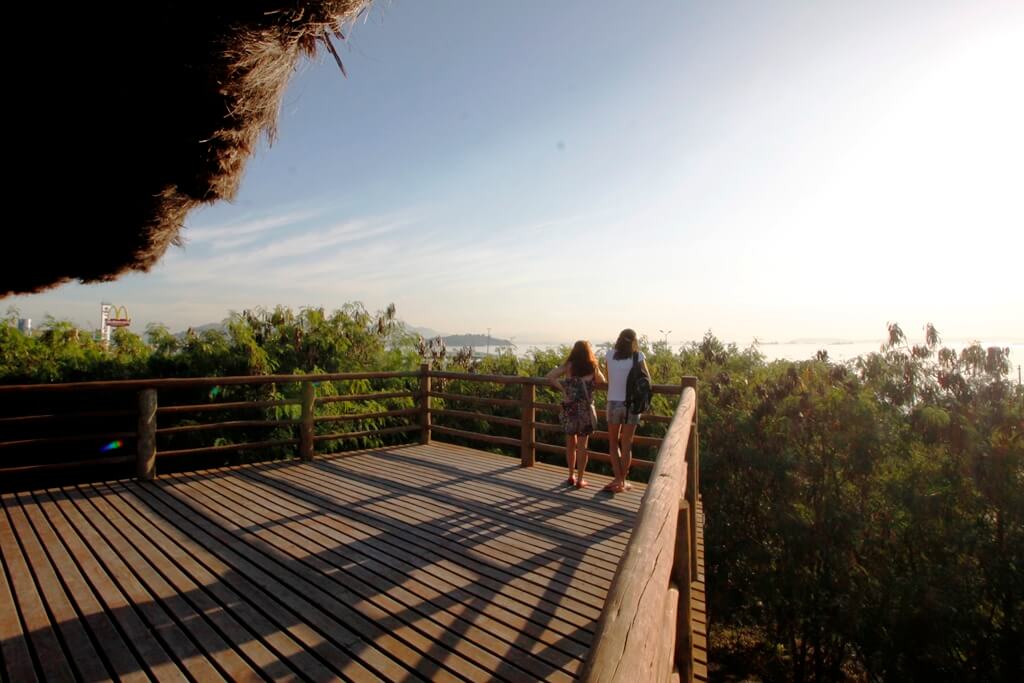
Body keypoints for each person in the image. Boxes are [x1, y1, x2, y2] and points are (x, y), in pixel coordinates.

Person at [545, 341, 606, 488]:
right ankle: (580, 479)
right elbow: (603, 381)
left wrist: (563, 389)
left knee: (570, 444)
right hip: (585, 410)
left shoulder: (569, 366)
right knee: (582, 446)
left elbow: (550, 376)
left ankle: (571, 475)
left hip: (570, 409)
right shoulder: (593, 366)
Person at [604, 328, 651, 492]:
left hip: (613, 403)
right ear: (634, 341)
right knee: (626, 444)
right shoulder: (638, 356)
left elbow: (608, 379)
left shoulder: (609, 355)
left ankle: (617, 479)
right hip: (632, 404)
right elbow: (647, 379)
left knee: (613, 443)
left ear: (618, 339)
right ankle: (623, 482)